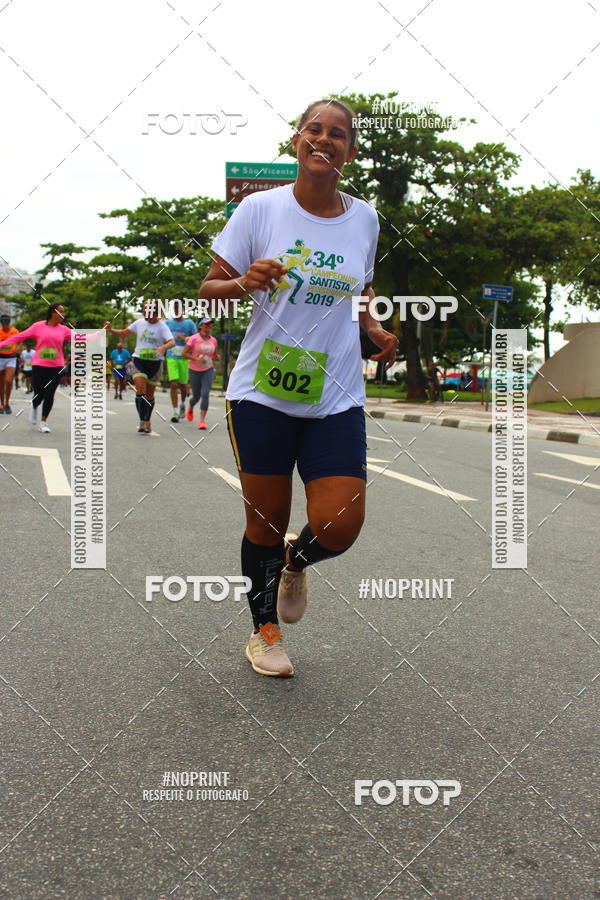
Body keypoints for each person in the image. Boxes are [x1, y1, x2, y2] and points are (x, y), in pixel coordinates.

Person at [199, 98, 398, 677]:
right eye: (314, 129)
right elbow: (209, 286)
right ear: (296, 142)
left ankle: (297, 558)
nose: (324, 139)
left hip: (335, 395)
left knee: (342, 524)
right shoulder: (259, 210)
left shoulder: (364, 218)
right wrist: (241, 281)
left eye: (337, 134)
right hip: (262, 393)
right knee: (263, 520)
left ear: (349, 151)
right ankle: (264, 634)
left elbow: (360, 285)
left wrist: (370, 325)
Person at [0, 303, 85, 432]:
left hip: (56, 366)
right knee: (39, 393)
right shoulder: (37, 326)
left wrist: (101, 332)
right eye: (61, 311)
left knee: (50, 393)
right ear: (53, 312)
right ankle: (34, 407)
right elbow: (18, 337)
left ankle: (44, 422)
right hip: (39, 365)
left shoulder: (64, 330)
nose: (64, 314)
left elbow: (82, 338)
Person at [104, 301, 175, 433]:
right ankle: (142, 419)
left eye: (150, 313)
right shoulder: (139, 323)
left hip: (155, 363)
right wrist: (111, 330)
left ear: (156, 313)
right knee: (140, 389)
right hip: (139, 361)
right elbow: (124, 333)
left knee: (149, 395)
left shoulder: (162, 326)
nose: (147, 315)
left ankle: (147, 419)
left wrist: (163, 347)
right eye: (145, 312)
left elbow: (172, 342)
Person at [182, 317, 220, 429]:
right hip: (194, 370)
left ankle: (202, 421)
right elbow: (184, 353)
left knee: (205, 393)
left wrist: (216, 357)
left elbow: (214, 355)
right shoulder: (194, 339)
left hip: (208, 370)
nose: (208, 326)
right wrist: (196, 359)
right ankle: (191, 406)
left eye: (210, 324)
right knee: (196, 396)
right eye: (206, 324)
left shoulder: (213, 340)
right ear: (200, 326)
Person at [164, 302, 197, 422]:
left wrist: (185, 339)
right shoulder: (167, 323)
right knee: (173, 383)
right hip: (171, 356)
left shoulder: (189, 323)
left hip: (184, 357)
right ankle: (175, 411)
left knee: (183, 385)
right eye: (175, 308)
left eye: (179, 308)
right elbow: (162, 336)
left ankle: (183, 403)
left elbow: (196, 338)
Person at [0, 314, 21, 415]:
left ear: (9, 322)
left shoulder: (14, 331)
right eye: (3, 323)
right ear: (1, 323)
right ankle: (2, 404)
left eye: (7, 323)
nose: (5, 325)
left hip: (11, 359)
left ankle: (7, 403)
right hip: (0, 358)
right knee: (1, 384)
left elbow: (20, 341)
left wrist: (16, 350)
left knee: (8, 380)